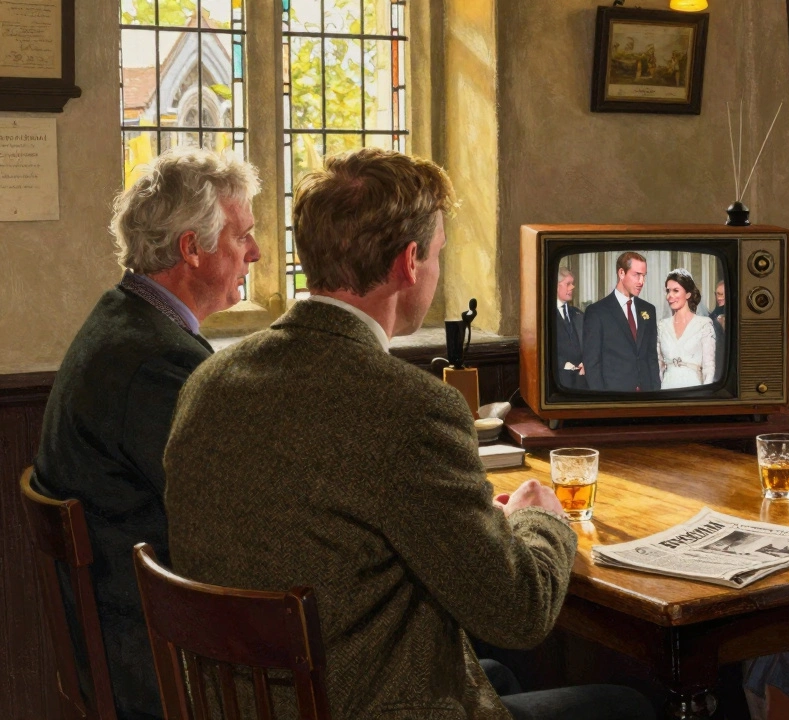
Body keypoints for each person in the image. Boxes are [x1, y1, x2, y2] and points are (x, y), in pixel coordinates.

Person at [164, 148, 653, 720]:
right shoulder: (411, 408)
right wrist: (540, 516)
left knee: (499, 675)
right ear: (410, 262)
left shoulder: (207, 382)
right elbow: (519, 612)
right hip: (363, 703)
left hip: (249, 703)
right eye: (439, 253)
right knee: (627, 706)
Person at [30, 148, 260, 720]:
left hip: (119, 641)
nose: (254, 253)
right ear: (192, 248)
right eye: (242, 238)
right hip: (152, 662)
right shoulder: (155, 362)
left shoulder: (123, 317)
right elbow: (227, 515)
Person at [582, 251, 662, 392]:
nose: (641, 282)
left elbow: (651, 357)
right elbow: (592, 363)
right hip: (614, 396)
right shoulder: (597, 312)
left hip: (647, 394)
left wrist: (655, 392)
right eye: (637, 275)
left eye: (644, 276)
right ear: (621, 273)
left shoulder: (648, 309)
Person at [658, 269, 716, 389]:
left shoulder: (704, 324)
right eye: (668, 291)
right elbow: (659, 365)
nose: (670, 296)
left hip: (694, 388)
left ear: (688, 294)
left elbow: (709, 367)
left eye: (676, 291)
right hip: (666, 388)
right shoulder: (662, 325)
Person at [554, 266, 587, 390]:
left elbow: (588, 342)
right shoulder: (544, 316)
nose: (572, 287)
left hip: (581, 378)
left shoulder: (578, 314)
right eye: (568, 284)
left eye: (572, 284)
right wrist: (563, 364)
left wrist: (586, 363)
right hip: (559, 379)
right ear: (556, 286)